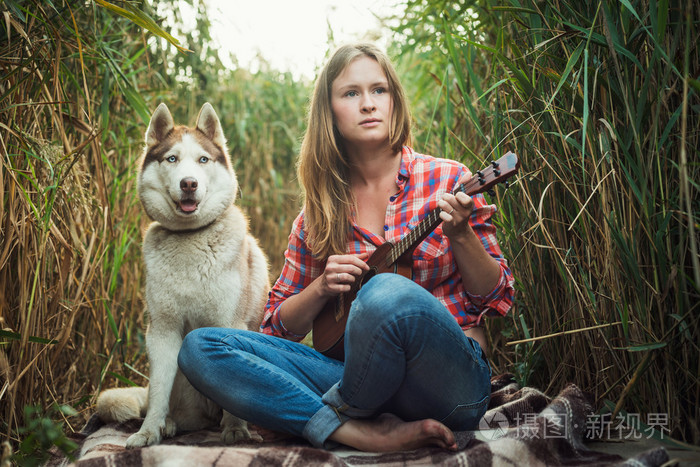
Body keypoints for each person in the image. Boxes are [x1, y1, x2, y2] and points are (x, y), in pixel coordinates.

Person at [178, 42, 514, 452]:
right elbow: (276, 328)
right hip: (352, 372)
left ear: (394, 101)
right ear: (330, 111)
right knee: (202, 347)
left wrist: (461, 235)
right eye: (351, 93)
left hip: (448, 384)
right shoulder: (317, 214)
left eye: (379, 90)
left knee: (385, 293)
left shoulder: (449, 179)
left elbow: (495, 295)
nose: (368, 104)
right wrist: (321, 289)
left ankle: (333, 414)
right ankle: (356, 431)